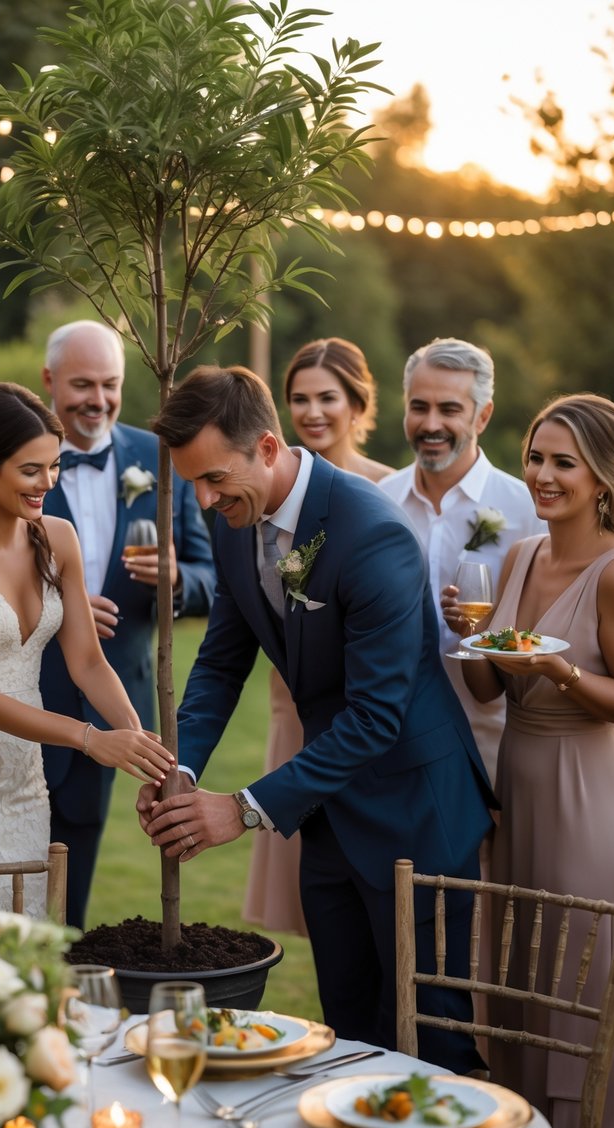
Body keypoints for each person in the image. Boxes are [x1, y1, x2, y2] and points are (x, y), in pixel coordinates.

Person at [138, 364, 494, 1071]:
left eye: (213, 480)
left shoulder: (373, 534)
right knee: (350, 1031)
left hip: (416, 816)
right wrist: (179, 768)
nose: (206, 501)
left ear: (266, 449)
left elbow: (375, 716)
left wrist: (239, 810)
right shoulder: (237, 525)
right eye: (194, 485)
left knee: (432, 1039)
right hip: (329, 819)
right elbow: (217, 663)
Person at [449, 393, 614, 1128]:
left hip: (588, 793)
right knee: (521, 971)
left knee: (579, 977)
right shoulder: (519, 556)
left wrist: (563, 670)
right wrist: (470, 639)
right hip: (518, 784)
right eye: (535, 457)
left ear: (601, 477)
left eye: (563, 462)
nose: (543, 475)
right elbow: (491, 690)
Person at [0, 383, 174, 916]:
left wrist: (139, 745)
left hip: (22, 781)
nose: (48, 482)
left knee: (25, 935)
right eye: (31, 470)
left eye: (54, 466)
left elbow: (88, 662)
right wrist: (90, 738)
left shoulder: (58, 538)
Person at [39, 320, 215, 927]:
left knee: (73, 882)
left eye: (109, 385)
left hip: (118, 701)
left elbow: (208, 579)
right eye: (82, 384)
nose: (98, 400)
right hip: (25, 694)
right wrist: (56, 607)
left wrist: (176, 579)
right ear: (49, 381)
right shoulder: (19, 460)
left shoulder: (160, 457)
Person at [243, 337, 393, 937]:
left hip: (361, 709)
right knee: (314, 898)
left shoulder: (384, 494)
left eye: (327, 397)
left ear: (358, 404)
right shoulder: (264, 499)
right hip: (292, 710)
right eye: (299, 399)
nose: (312, 411)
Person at [379, 337, 543, 782]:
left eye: (449, 409)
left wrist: (484, 631)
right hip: (392, 743)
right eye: (419, 406)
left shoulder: (528, 510)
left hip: (493, 740)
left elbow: (550, 631)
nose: (431, 424)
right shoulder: (378, 503)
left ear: (482, 415)